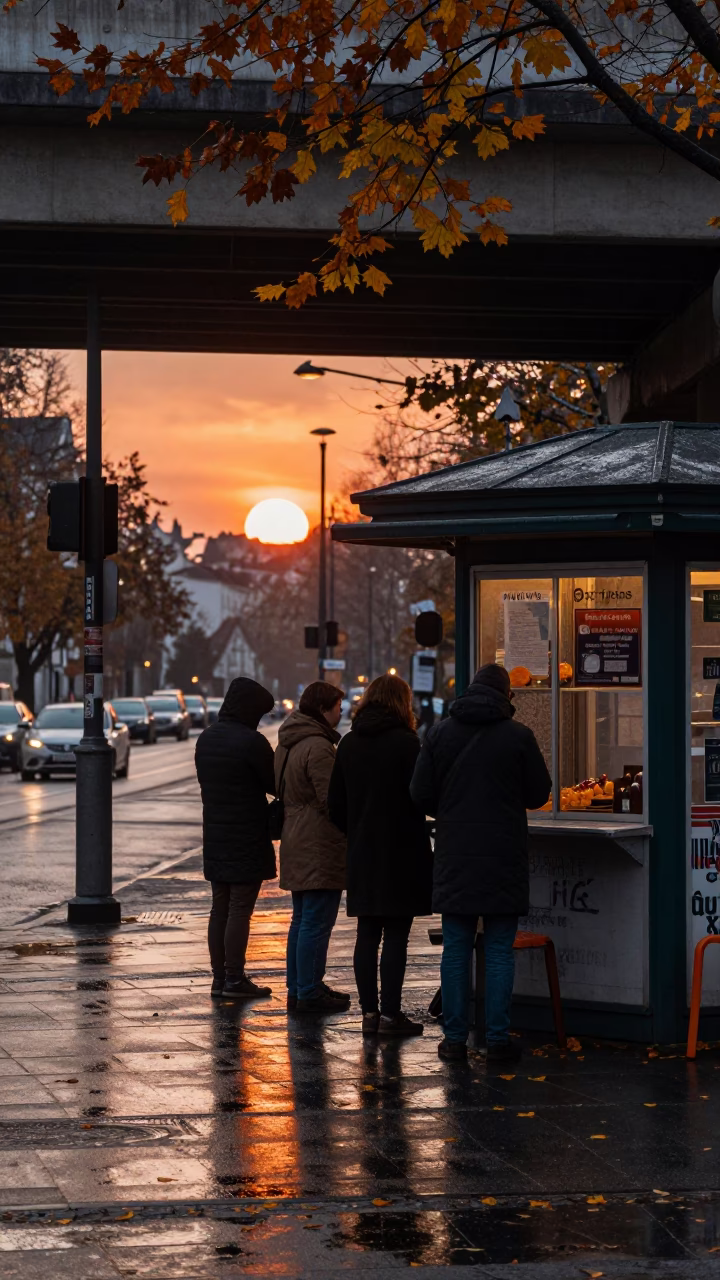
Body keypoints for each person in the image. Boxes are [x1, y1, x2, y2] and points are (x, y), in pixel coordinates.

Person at [410, 663, 551, 1064]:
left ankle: (455, 1040)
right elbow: (539, 792)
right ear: (506, 695)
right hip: (503, 855)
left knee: (455, 949)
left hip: (455, 854)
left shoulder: (439, 734)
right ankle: (497, 1039)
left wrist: (452, 812)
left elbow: (419, 794)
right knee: (500, 950)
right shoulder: (518, 736)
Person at [328, 674, 432, 1036]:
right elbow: (423, 795)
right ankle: (391, 1015)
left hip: (363, 851)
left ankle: (369, 1015)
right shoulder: (407, 744)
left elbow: (335, 805)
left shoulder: (350, 744)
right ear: (402, 704)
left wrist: (357, 830)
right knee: (397, 935)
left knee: (367, 933)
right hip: (402, 850)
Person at [195, 677, 276, 1000]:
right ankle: (234, 978)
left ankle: (219, 978)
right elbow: (274, 784)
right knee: (241, 908)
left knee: (221, 907)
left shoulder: (207, 738)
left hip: (216, 833)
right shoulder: (251, 743)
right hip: (247, 835)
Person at [276, 681, 350, 1015]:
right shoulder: (318, 747)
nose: (341, 712)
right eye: (337, 706)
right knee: (316, 921)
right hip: (319, 841)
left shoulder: (289, 742)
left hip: (295, 835)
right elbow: (331, 799)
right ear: (323, 709)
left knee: (302, 919)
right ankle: (307, 991)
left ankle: (301, 986)